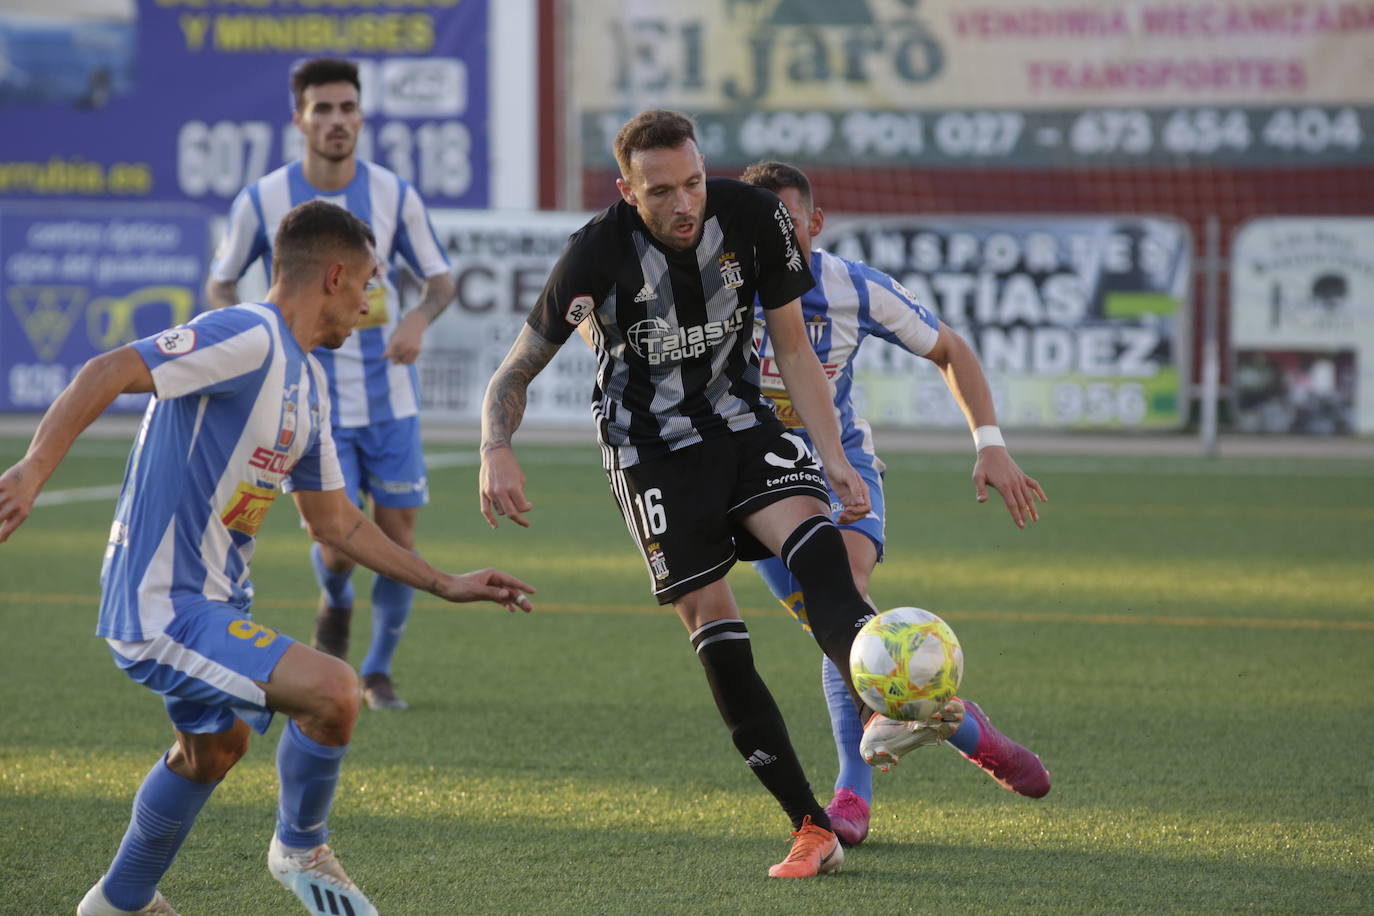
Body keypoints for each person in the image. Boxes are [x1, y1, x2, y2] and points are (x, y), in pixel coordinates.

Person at [0, 200, 535, 916]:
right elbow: (108, 369)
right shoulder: (248, 334)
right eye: (370, 283)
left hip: (215, 603)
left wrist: (445, 582)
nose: (373, 304)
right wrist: (33, 471)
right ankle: (300, 847)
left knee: (213, 748)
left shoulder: (307, 384)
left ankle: (119, 901)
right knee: (334, 692)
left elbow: (336, 523)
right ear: (336, 276)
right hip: (162, 603)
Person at [479, 108, 928, 879]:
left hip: (739, 424)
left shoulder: (754, 218)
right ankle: (809, 826)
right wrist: (496, 448)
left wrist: (835, 458)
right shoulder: (595, 254)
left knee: (820, 549)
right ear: (628, 190)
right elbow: (514, 370)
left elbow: (791, 342)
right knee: (715, 628)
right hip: (648, 453)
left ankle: (882, 700)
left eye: (692, 182)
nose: (683, 204)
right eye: (660, 192)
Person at [739, 160, 1051, 847]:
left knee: (843, 590)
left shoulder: (853, 287)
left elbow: (949, 349)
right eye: (757, 225)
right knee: (836, 631)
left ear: (814, 224)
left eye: (786, 222)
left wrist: (990, 443)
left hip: (839, 467)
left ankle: (852, 790)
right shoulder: (715, 289)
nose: (772, 237)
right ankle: (970, 730)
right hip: (751, 484)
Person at [207, 57, 456, 711]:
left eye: (348, 108)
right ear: (300, 119)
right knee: (339, 544)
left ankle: (375, 671)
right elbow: (220, 279)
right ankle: (336, 601)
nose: (338, 120)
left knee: (398, 538)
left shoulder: (395, 194)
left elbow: (441, 279)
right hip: (306, 401)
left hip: (390, 399)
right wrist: (251, 332)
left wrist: (420, 322)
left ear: (361, 116)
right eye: (324, 109)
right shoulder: (262, 199)